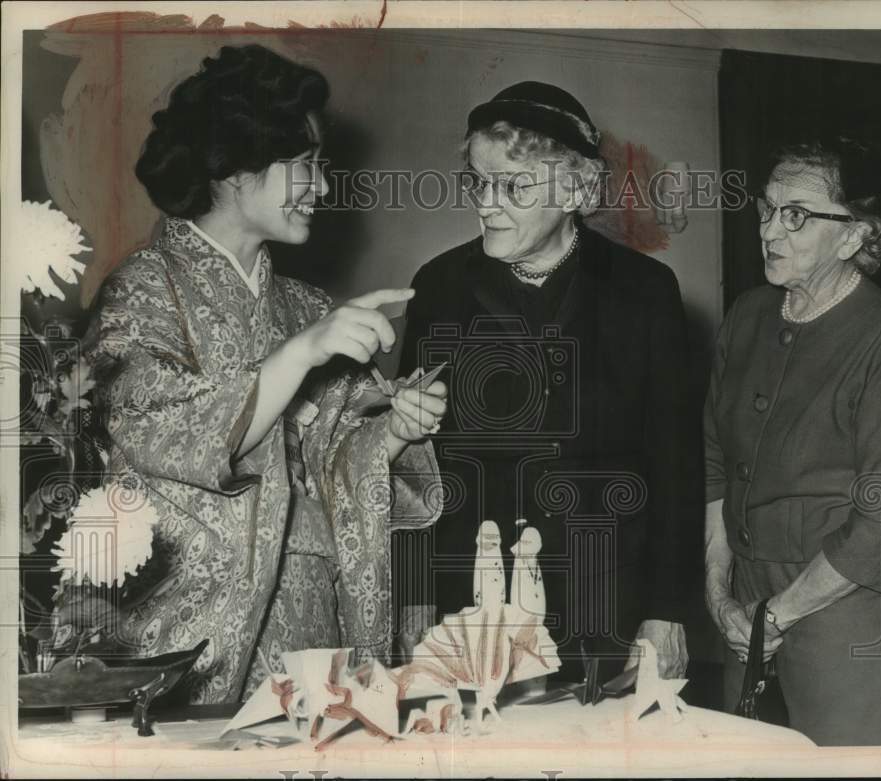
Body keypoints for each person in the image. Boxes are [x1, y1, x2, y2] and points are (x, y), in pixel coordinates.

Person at [84, 44, 447, 703]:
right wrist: (298, 354)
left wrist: (393, 430)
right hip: (192, 645)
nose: (325, 187)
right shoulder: (143, 291)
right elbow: (162, 430)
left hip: (314, 639)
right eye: (305, 164)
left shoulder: (307, 308)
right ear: (234, 164)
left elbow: (343, 459)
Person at [397, 81, 701, 681]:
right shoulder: (439, 286)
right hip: (470, 603)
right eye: (479, 182)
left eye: (513, 186)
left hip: (606, 602)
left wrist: (667, 611)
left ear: (576, 189)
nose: (487, 203)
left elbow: (676, 462)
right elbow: (415, 459)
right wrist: (413, 592)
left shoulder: (646, 293)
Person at [703, 137, 881, 745]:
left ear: (856, 236)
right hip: (743, 604)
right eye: (767, 208)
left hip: (845, 609)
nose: (770, 231)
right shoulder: (748, 315)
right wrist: (718, 594)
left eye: (797, 216)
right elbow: (713, 465)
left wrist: (773, 615)